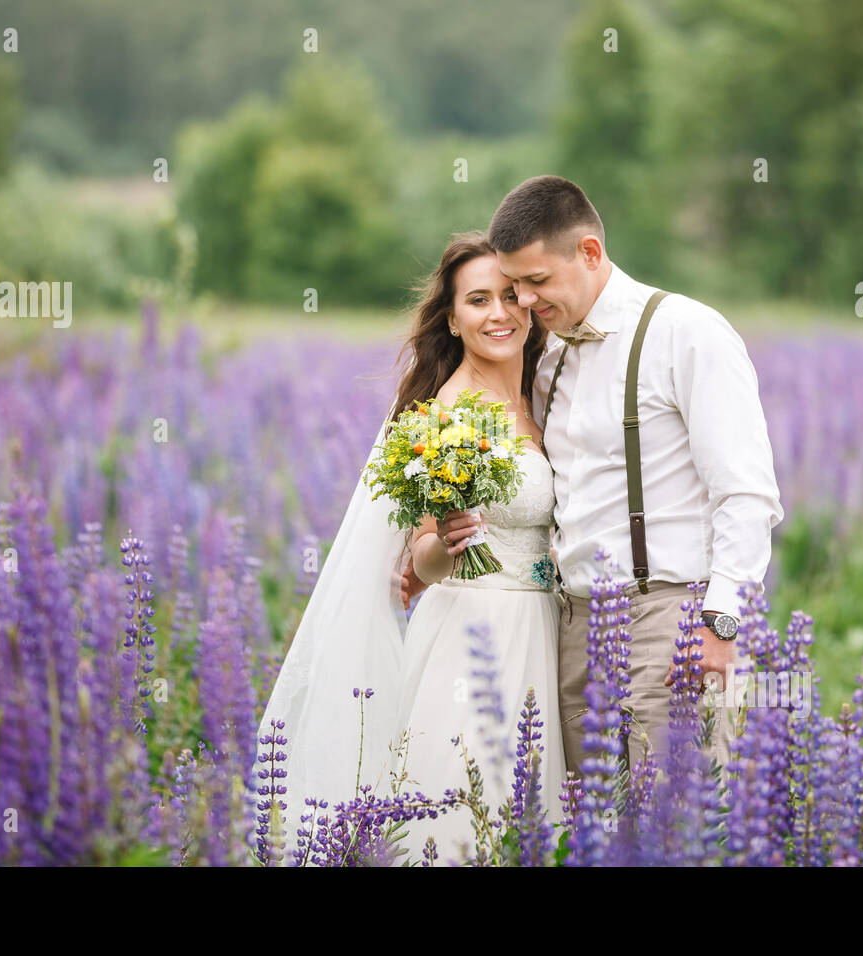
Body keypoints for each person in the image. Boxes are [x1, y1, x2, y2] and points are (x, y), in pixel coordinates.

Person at [405, 175, 784, 786]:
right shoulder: (549, 356)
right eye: (512, 285)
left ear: (588, 253)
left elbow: (745, 490)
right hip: (569, 626)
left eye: (534, 282)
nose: (523, 303)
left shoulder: (685, 332)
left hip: (668, 614)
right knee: (587, 824)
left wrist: (721, 621)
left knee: (668, 818)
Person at [258, 231, 566, 865]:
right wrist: (447, 548)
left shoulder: (547, 393)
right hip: (476, 632)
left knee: (533, 825)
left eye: (511, 296)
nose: (499, 313)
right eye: (478, 300)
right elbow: (419, 554)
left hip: (550, 627)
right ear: (452, 319)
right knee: (458, 823)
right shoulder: (445, 415)